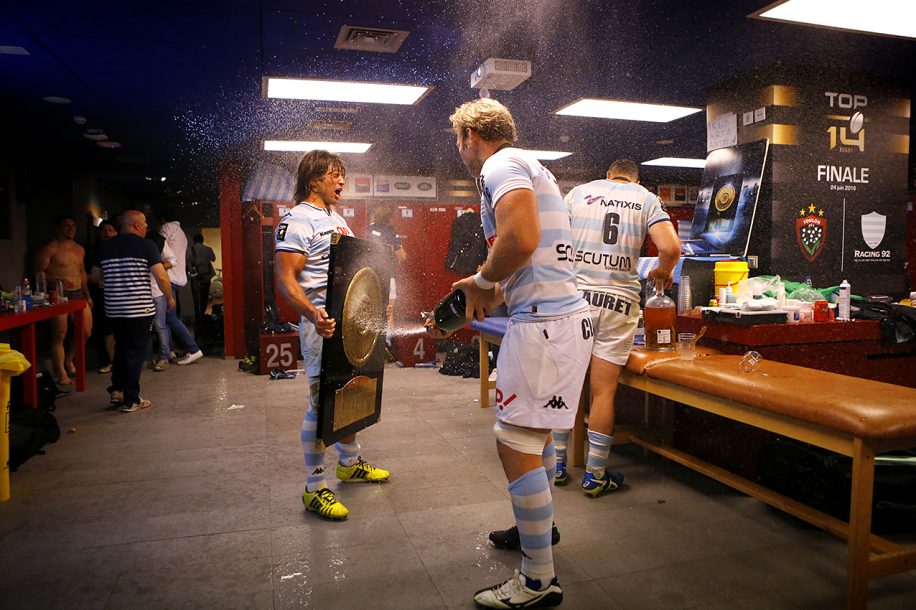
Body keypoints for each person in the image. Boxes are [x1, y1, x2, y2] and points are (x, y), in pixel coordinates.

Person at [432, 98, 593, 608]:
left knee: (514, 439)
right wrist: (470, 301)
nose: (459, 149)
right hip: (555, 316)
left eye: (459, 139)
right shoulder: (528, 167)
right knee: (534, 436)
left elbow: (521, 240)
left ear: (472, 135)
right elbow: (517, 267)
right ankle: (536, 535)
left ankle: (537, 581)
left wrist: (480, 279)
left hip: (546, 323)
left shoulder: (500, 165)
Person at [552, 159, 681, 497]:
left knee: (565, 384)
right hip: (619, 303)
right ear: (634, 179)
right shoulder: (645, 198)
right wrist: (662, 271)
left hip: (574, 299)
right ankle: (595, 476)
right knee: (603, 391)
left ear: (608, 175)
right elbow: (670, 248)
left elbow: (553, 243)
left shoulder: (579, 193)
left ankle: (559, 464)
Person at [275, 149, 390, 521]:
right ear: (313, 181)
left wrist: (375, 303)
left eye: (342, 175)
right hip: (319, 327)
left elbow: (358, 270)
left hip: (349, 326)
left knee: (351, 392)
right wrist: (313, 313)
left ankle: (350, 463)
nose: (341, 181)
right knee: (320, 403)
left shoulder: (338, 220)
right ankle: (314, 487)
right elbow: (287, 279)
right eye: (333, 175)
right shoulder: (297, 220)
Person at [91, 210, 174, 412]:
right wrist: (169, 298)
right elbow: (161, 276)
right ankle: (131, 399)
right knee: (136, 353)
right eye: (145, 223)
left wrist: (112, 283)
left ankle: (117, 390)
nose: (147, 227)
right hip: (139, 310)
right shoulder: (146, 246)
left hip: (113, 309)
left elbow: (94, 276)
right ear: (136, 225)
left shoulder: (106, 246)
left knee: (121, 349)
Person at [34, 215, 93, 385]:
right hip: (58, 295)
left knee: (86, 332)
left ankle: (69, 359)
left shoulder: (79, 249)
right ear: (58, 228)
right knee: (60, 333)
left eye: (73, 226)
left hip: (78, 294)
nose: (71, 229)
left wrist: (87, 295)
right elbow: (39, 273)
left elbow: (82, 274)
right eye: (67, 226)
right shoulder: (50, 249)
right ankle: (61, 373)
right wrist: (56, 281)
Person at [157, 216, 203, 367]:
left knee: (169, 318)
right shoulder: (182, 233)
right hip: (177, 278)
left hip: (168, 279)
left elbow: (161, 246)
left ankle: (193, 349)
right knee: (167, 318)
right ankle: (170, 351)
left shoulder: (167, 229)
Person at [366, 202, 406, 339]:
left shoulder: (369, 229)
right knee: (389, 311)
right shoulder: (390, 233)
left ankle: (372, 342)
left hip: (371, 277)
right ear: (388, 218)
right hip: (388, 276)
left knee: (373, 310)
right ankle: (387, 344)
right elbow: (402, 255)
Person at [86, 219, 118, 373]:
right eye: (104, 230)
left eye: (110, 230)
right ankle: (110, 360)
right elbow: (89, 275)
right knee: (105, 329)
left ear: (116, 232)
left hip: (121, 294)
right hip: (100, 293)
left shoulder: (121, 248)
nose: (107, 233)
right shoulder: (93, 251)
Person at [188, 232, 216, 333]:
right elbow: (213, 258)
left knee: (196, 300)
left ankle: (198, 321)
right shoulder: (208, 249)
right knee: (204, 299)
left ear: (194, 240)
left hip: (195, 278)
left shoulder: (191, 250)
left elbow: (188, 262)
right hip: (206, 276)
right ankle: (203, 319)